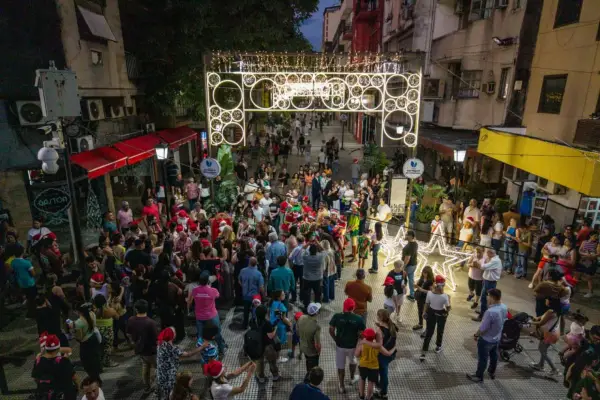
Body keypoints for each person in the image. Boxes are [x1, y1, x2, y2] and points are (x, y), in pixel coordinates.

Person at [466, 288, 507, 382]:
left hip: (486, 339)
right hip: (497, 337)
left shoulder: (490, 312)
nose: (487, 298)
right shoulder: (504, 307)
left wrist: (476, 335)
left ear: (492, 297)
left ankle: (479, 376)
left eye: (488, 296)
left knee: (483, 359)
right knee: (494, 356)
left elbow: (483, 328)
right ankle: (491, 372)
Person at [329, 298, 366, 394]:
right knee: (353, 361)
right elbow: (361, 334)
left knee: (341, 365)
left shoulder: (337, 316)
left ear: (344, 306)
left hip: (340, 345)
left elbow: (331, 329)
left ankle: (341, 386)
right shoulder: (358, 319)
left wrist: (335, 339)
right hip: (352, 346)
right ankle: (352, 378)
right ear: (353, 307)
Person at [156, 327, 204, 400]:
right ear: (172, 336)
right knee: (170, 394)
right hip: (169, 377)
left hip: (161, 374)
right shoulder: (173, 349)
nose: (176, 333)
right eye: (174, 332)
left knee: (163, 391)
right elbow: (188, 354)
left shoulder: (161, 343)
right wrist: (202, 347)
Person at [187, 271, 225, 355]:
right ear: (208, 281)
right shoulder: (213, 290)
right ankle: (221, 349)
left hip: (199, 317)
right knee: (217, 333)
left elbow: (190, 300)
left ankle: (203, 352)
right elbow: (218, 296)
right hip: (212, 316)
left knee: (200, 336)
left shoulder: (195, 290)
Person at [126, 299, 159, 394]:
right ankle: (158, 386)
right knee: (158, 368)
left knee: (145, 366)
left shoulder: (131, 320)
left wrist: (133, 342)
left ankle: (147, 387)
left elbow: (128, 334)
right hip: (152, 351)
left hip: (140, 349)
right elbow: (156, 339)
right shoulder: (151, 323)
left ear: (136, 309)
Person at [32, 333, 77, 400]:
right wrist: (78, 388)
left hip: (45, 395)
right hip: (62, 394)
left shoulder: (38, 360)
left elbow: (36, 379)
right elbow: (74, 378)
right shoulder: (63, 361)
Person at [420, 275, 452, 362]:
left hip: (431, 312)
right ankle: (438, 346)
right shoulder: (445, 296)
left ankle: (424, 351)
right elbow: (448, 308)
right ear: (443, 285)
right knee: (440, 330)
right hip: (441, 314)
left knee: (429, 332)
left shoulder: (429, 293)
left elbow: (427, 304)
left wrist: (424, 312)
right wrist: (449, 300)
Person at [530, 297, 563, 378]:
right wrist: (534, 318)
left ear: (551, 302)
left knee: (542, 350)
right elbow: (541, 317)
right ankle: (540, 365)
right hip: (553, 333)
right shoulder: (555, 311)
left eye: (547, 299)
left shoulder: (550, 311)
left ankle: (554, 369)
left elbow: (541, 323)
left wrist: (530, 322)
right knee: (544, 350)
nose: (545, 300)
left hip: (549, 334)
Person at [249, 304, 280, 384]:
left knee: (260, 362)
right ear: (265, 314)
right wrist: (275, 328)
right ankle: (275, 376)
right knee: (272, 362)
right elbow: (271, 336)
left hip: (257, 345)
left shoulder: (252, 321)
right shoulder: (267, 323)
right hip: (267, 346)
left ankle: (261, 377)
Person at [474, 248, 502, 321]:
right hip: (487, 281)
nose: (486, 255)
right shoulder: (492, 259)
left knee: (485, 298)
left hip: (490, 282)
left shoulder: (495, 261)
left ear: (490, 253)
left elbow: (483, 267)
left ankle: (482, 316)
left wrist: (481, 260)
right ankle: (483, 311)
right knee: (484, 298)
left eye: (487, 253)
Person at [297, 302, 322, 382]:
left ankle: (308, 373)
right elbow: (317, 344)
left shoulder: (301, 317)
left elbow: (297, 332)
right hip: (311, 351)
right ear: (316, 313)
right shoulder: (316, 326)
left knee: (308, 360)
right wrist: (318, 352)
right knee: (313, 366)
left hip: (303, 347)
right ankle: (310, 380)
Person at [10, 245, 37, 317]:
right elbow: (33, 274)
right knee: (32, 298)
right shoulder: (27, 262)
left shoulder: (13, 262)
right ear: (22, 252)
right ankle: (32, 313)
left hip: (21, 284)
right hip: (30, 283)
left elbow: (12, 271)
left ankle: (29, 310)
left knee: (27, 297)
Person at [239, 257, 265, 328]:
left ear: (249, 262)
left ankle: (245, 324)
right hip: (255, 296)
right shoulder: (258, 273)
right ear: (256, 264)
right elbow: (261, 287)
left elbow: (239, 281)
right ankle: (254, 324)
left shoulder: (242, 271)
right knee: (255, 310)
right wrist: (263, 296)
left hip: (245, 295)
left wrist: (244, 287)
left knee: (246, 310)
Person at [355, 328, 380, 400]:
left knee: (362, 379)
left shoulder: (362, 344)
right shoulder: (376, 345)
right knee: (371, 382)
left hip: (363, 365)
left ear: (365, 336)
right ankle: (368, 397)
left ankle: (361, 395)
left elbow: (356, 355)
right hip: (374, 367)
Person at [302, 243, 325, 309]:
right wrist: (317, 242)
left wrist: (308, 243)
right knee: (318, 294)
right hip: (317, 278)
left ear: (309, 251)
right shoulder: (320, 257)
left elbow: (303, 249)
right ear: (316, 251)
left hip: (307, 278)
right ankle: (318, 307)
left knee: (306, 294)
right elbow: (323, 250)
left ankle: (306, 307)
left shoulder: (306, 257)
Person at [413, 265, 434, 331]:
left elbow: (431, 291)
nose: (424, 274)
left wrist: (422, 290)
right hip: (420, 297)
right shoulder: (422, 278)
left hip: (426, 298)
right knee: (420, 311)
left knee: (426, 312)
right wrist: (416, 285)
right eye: (423, 272)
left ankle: (428, 328)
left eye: (425, 273)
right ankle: (420, 324)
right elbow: (418, 285)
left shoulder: (430, 281)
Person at [402, 230, 418, 301]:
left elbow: (407, 258)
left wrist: (403, 267)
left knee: (403, 279)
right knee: (411, 280)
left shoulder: (408, 247)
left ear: (411, 236)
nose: (405, 235)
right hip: (414, 264)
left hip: (408, 266)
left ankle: (401, 293)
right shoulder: (415, 244)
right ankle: (412, 295)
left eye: (407, 235)